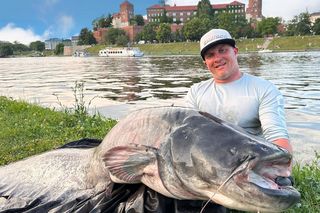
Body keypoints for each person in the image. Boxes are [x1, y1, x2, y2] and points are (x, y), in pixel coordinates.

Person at [185, 28, 293, 175]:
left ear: (235, 52)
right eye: (210, 55)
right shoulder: (195, 92)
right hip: (209, 164)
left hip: (249, 165)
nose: (217, 58)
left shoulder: (264, 89)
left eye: (223, 50)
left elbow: (276, 136)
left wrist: (283, 170)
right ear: (206, 62)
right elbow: (188, 135)